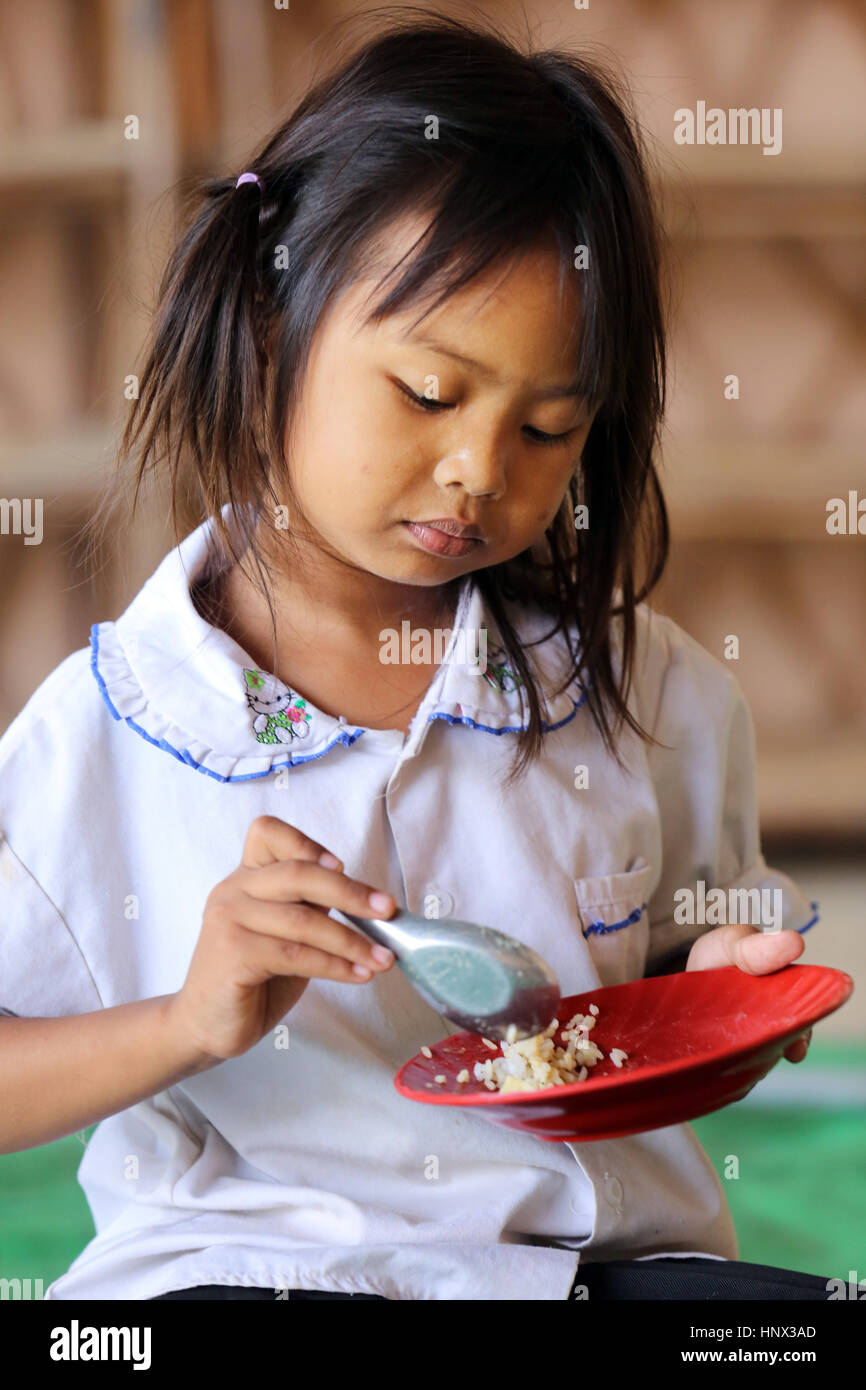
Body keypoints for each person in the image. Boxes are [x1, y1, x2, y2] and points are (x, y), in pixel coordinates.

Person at [0, 12, 824, 1302]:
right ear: (272, 336)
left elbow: (681, 958)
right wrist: (186, 1021)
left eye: (548, 428)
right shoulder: (97, 739)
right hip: (249, 1268)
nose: (480, 471)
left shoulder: (649, 696)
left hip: (587, 1267)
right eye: (430, 396)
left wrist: (720, 992)